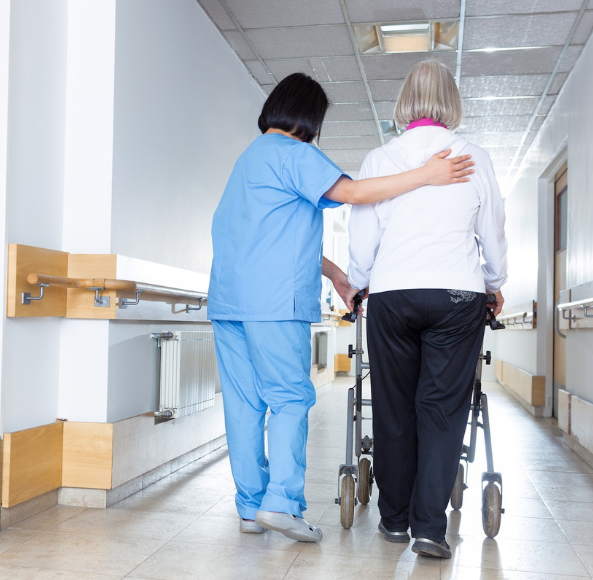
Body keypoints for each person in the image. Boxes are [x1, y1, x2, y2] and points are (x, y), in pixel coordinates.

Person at [207, 72, 476, 543]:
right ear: (310, 118)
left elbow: (266, 238)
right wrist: (427, 175)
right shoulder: (295, 154)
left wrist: (334, 274)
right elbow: (353, 193)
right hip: (274, 303)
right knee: (290, 398)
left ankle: (250, 506)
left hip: (229, 301)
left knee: (244, 404)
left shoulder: (247, 162)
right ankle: (281, 505)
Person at [347, 60, 508, 558]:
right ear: (452, 102)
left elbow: (362, 238)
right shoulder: (475, 156)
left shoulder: (379, 158)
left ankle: (393, 520)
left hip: (393, 295)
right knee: (441, 410)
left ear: (403, 103)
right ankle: (428, 529)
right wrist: (495, 283)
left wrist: (357, 285)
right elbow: (493, 232)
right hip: (458, 295)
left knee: (394, 407)